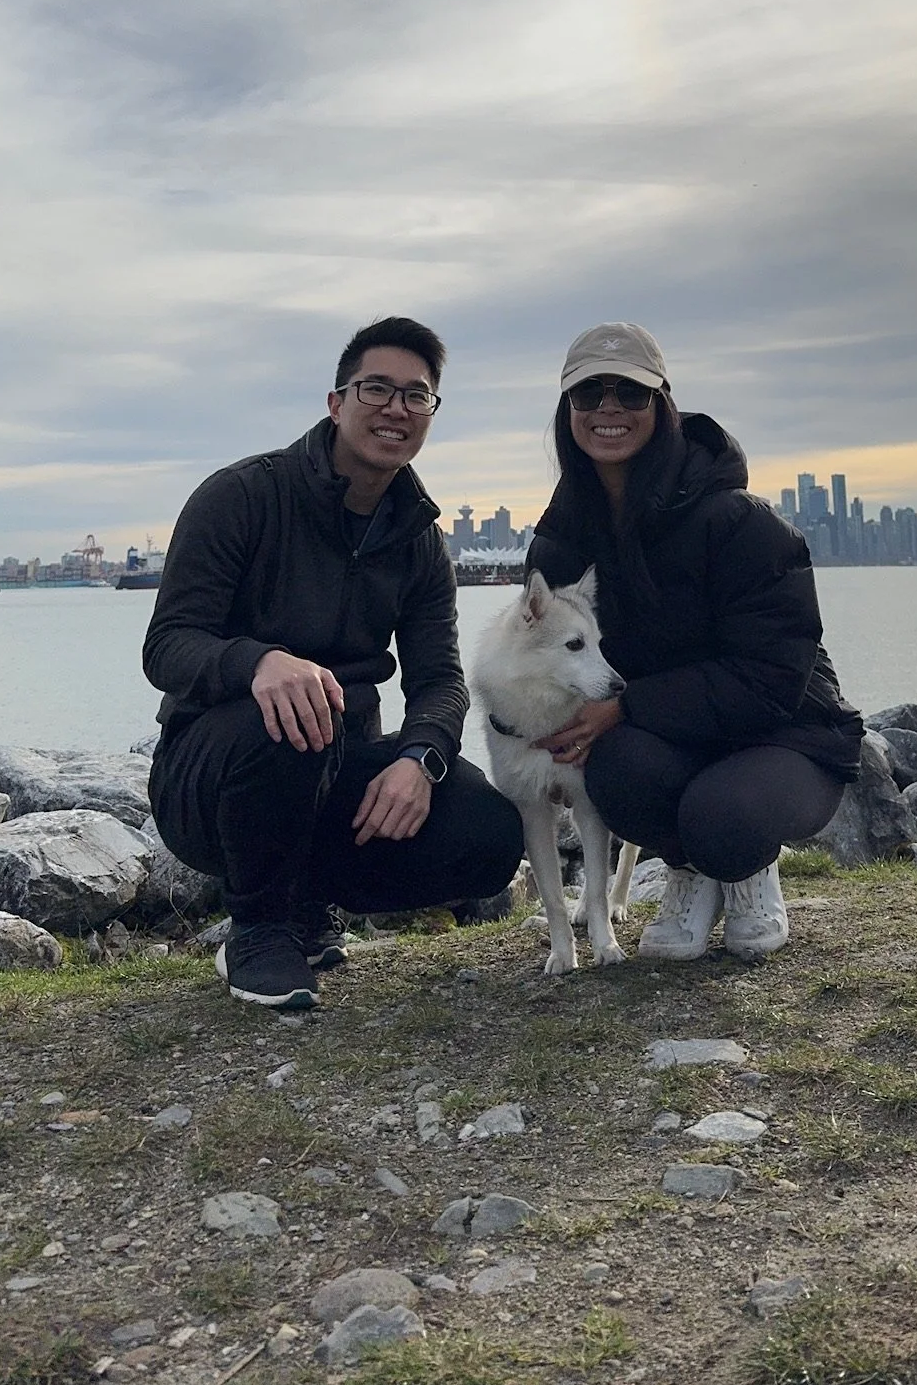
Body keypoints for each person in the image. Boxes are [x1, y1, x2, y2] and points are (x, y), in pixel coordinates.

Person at [142, 316, 523, 1011]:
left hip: (337, 766)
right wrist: (259, 663)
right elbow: (168, 645)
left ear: (431, 414)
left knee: (490, 835)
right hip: (213, 775)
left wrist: (421, 759)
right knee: (290, 712)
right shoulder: (243, 497)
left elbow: (439, 679)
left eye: (416, 396)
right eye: (376, 388)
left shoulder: (418, 541)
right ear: (336, 402)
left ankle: (309, 901)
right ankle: (258, 927)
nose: (395, 409)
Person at [525, 323, 863, 960]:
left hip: (784, 735)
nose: (608, 411)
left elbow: (770, 678)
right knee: (613, 772)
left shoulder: (743, 525)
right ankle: (690, 870)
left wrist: (627, 706)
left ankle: (743, 871)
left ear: (662, 404)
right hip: (667, 737)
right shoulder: (560, 544)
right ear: (567, 410)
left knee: (724, 821)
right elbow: (547, 659)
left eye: (630, 393)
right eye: (587, 395)